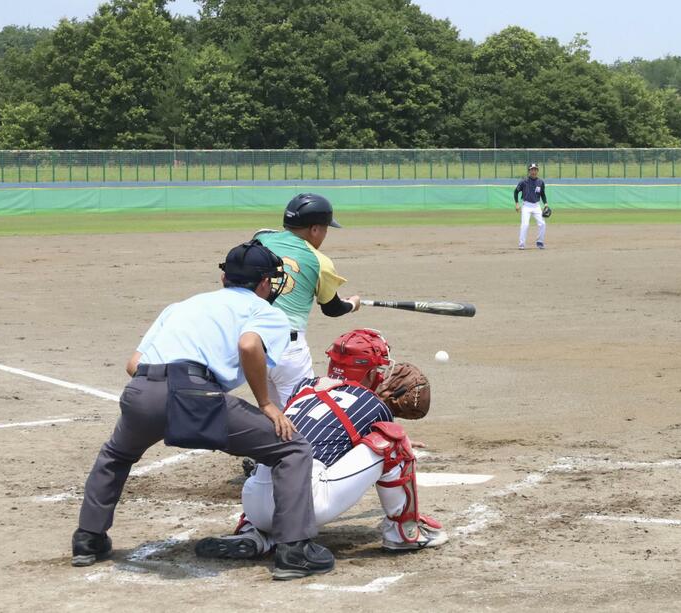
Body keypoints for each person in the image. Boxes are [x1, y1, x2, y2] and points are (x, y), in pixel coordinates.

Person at [71, 240, 335, 581]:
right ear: (265, 283)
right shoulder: (266, 311)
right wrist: (266, 404)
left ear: (225, 279)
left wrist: (164, 393)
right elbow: (249, 344)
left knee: (116, 455)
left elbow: (133, 363)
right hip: (196, 394)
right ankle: (295, 550)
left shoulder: (182, 306)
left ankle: (88, 540)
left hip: (142, 391)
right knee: (292, 448)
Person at [194, 329, 448, 560]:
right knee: (394, 441)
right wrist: (399, 440)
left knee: (284, 452)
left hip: (254, 502)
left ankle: (255, 533)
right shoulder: (373, 404)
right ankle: (404, 533)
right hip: (307, 504)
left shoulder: (303, 387)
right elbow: (378, 441)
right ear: (371, 371)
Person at [254, 194, 361, 409]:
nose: (324, 235)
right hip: (288, 350)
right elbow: (331, 308)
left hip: (251, 345)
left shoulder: (261, 239)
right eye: (325, 229)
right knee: (302, 416)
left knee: (271, 415)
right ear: (314, 229)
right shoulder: (320, 261)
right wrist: (351, 304)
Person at [514, 163, 548, 250]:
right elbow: (516, 192)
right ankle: (521, 244)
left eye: (535, 169)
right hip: (526, 205)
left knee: (542, 224)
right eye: (532, 169)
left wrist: (546, 204)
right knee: (525, 225)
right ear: (529, 171)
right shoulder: (523, 181)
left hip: (536, 206)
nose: (534, 171)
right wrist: (517, 203)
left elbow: (543, 194)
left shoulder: (540, 182)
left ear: (537, 171)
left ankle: (540, 242)